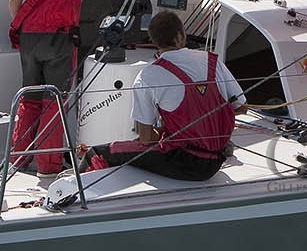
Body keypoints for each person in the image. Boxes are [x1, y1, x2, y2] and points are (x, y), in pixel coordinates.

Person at [8, 0, 123, 173]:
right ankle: (47, 166)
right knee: (54, 101)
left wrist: (30, 29)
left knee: (30, 99)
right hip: (58, 42)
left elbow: (14, 3)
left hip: (29, 40)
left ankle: (18, 160)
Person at [86, 11, 246, 182]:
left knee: (96, 153)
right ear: (180, 36)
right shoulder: (213, 61)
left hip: (183, 161)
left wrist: (167, 132)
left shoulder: (148, 76)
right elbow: (242, 107)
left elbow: (146, 138)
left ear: (154, 40)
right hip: (216, 159)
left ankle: (75, 196)